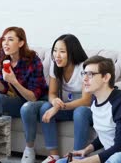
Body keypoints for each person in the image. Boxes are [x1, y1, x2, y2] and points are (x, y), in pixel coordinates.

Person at [56, 55, 121, 163]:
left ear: (106, 77)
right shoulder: (95, 100)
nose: (84, 79)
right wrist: (86, 150)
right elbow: (107, 135)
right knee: (61, 162)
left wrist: (84, 162)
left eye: (90, 74)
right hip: (111, 159)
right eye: (84, 73)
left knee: (117, 157)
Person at [21, 34, 93, 163]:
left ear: (72, 53)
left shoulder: (84, 67)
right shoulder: (56, 66)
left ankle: (77, 157)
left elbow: (86, 100)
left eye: (62, 52)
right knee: (45, 107)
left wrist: (59, 107)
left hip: (87, 110)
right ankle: (53, 156)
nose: (57, 55)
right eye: (55, 51)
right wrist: (54, 102)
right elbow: (52, 93)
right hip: (68, 107)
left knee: (80, 111)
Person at [0, 26, 47, 118]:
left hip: (37, 102)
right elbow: (2, 90)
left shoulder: (33, 60)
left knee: (27, 107)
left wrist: (14, 81)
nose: (5, 43)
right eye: (4, 39)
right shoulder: (4, 58)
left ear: (21, 43)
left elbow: (33, 98)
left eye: (10, 40)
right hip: (20, 101)